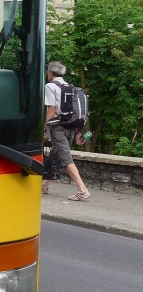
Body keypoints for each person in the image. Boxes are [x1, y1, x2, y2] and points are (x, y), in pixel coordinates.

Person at [44, 60, 90, 201]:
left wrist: (44, 128)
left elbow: (52, 109)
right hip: (71, 127)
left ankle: (82, 189)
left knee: (65, 157)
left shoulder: (50, 86)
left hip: (58, 127)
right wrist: (78, 132)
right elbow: (75, 112)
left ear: (50, 73)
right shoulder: (70, 87)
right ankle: (45, 185)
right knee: (56, 155)